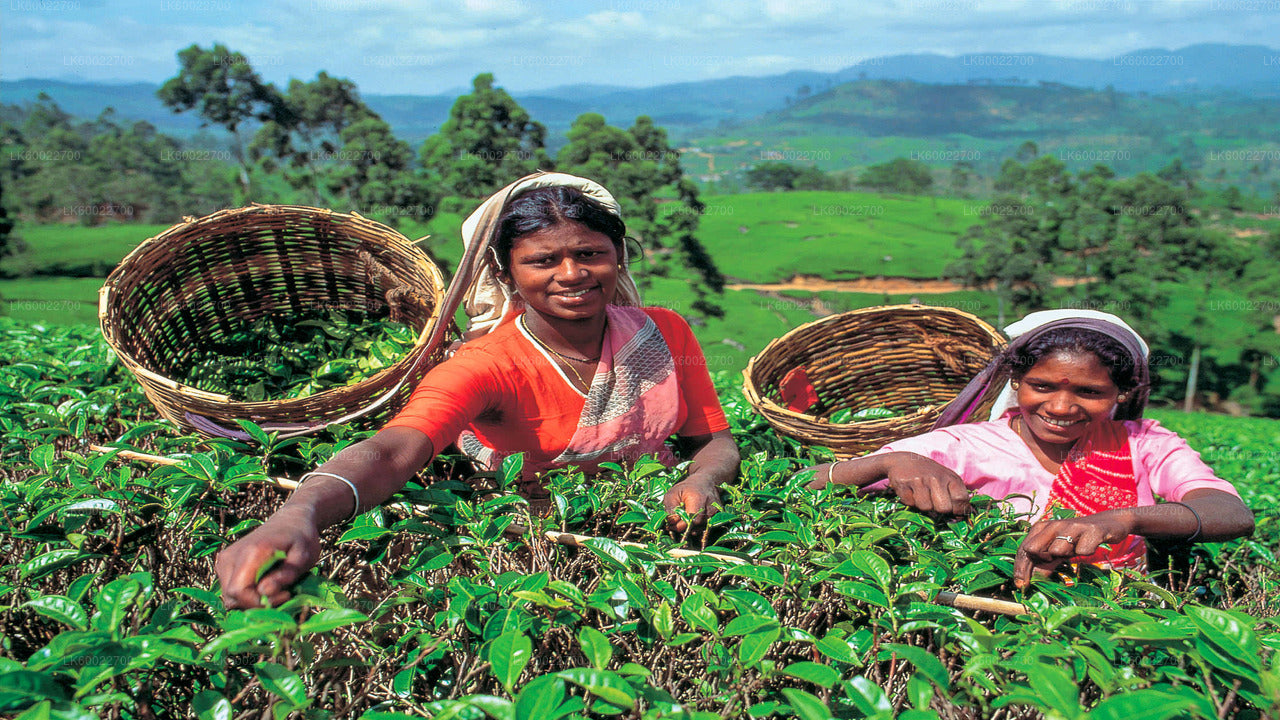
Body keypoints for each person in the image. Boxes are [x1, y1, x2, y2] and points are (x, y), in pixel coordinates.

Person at [216, 172, 739, 609]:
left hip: (659, 536)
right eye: (542, 260)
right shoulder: (487, 365)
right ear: (505, 270)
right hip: (537, 563)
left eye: (590, 254)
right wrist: (298, 512)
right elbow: (392, 450)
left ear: (618, 256)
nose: (572, 273)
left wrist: (705, 480)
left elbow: (711, 438)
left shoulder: (663, 330)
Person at [801, 310, 1253, 588]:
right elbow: (807, 483)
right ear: (1016, 382)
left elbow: (1230, 514)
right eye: (1040, 386)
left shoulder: (1145, 444)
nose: (1061, 407)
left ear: (1121, 392)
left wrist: (1125, 517)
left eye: (1089, 392)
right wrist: (889, 459)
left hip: (1111, 620)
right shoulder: (966, 446)